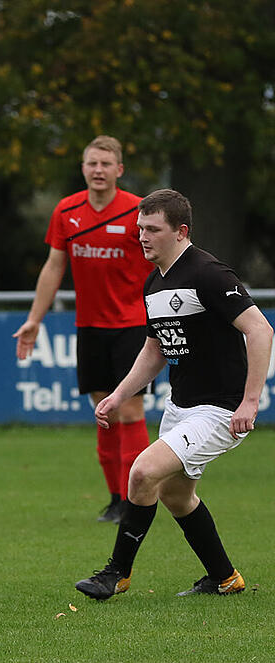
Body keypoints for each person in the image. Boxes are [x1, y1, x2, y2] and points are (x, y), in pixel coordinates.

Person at [74, 189, 273, 600]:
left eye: (152, 229)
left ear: (181, 232)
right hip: (181, 406)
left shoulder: (208, 273)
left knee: (143, 472)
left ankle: (116, 574)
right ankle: (225, 577)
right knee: (175, 495)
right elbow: (154, 350)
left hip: (219, 409)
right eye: (139, 228)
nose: (142, 237)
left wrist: (250, 401)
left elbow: (261, 330)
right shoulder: (154, 281)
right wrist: (118, 394)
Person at [14, 135, 152, 523]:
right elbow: (54, 266)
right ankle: (114, 499)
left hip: (133, 326)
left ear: (119, 170)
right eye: (92, 163)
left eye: (106, 164)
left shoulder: (137, 211)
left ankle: (136, 500)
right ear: (83, 168)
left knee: (128, 410)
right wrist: (34, 320)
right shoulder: (67, 210)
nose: (98, 170)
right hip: (89, 327)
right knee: (104, 414)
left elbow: (161, 263)